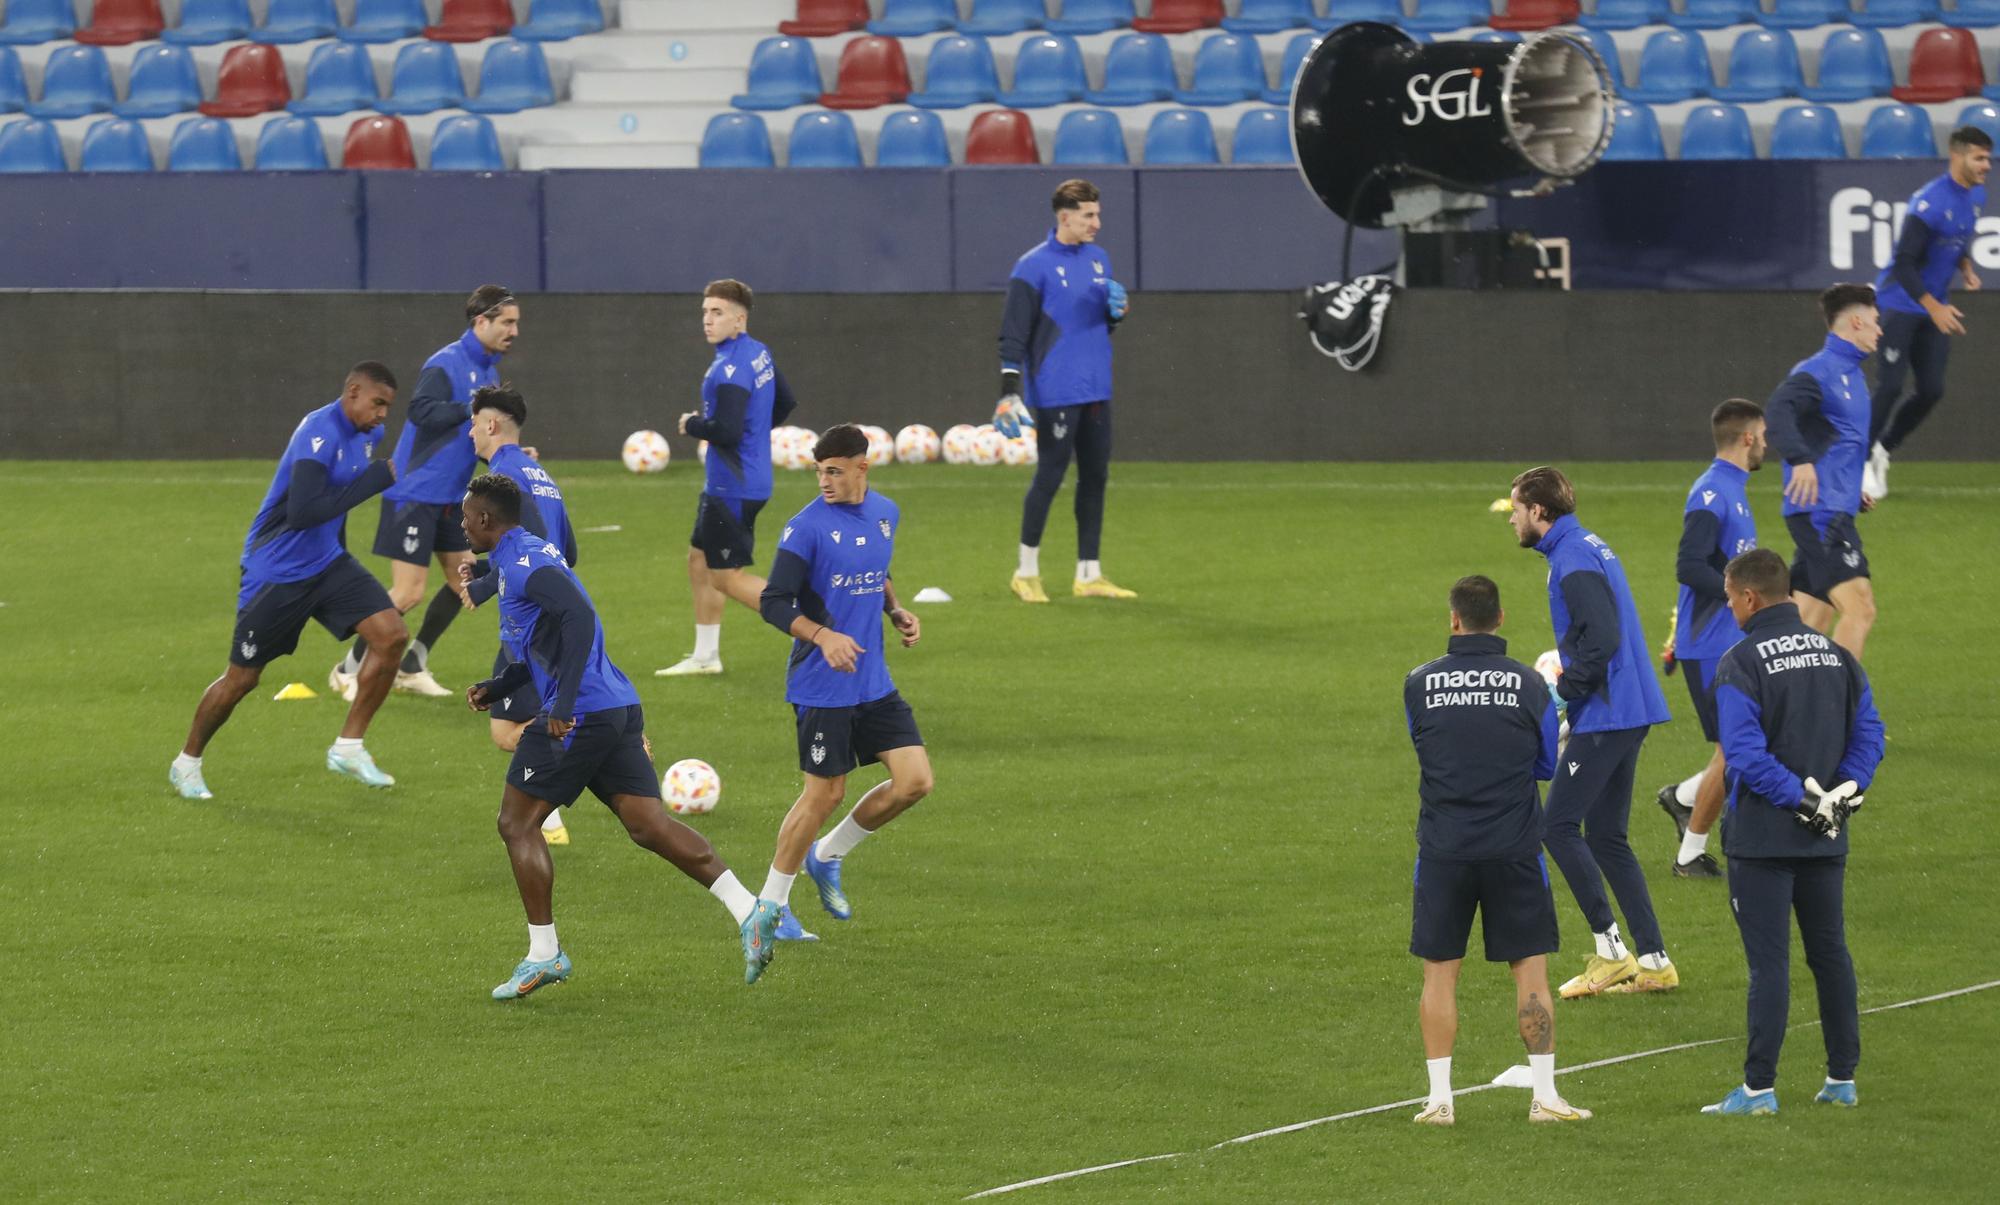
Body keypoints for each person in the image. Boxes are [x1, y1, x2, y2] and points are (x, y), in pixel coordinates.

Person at [455, 473, 780, 997]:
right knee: (647, 825)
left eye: (466, 515)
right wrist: (500, 686)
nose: (462, 522)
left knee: (516, 824)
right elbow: (548, 641)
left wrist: (559, 706)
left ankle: (545, 954)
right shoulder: (528, 554)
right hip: (615, 706)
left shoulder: (523, 565)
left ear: (487, 520)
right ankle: (750, 910)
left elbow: (581, 619)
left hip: (580, 713)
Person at [1700, 548, 1884, 1115]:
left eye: (1730, 598)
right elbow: (1870, 734)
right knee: (1831, 954)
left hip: (1762, 840)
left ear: (1750, 597)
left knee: (1769, 965)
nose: (1729, 608)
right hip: (1826, 837)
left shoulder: (1741, 661)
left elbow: (1745, 757)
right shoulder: (1838, 656)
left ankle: (1758, 1090)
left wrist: (1803, 801)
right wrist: (1840, 797)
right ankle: (1842, 1081)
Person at [170, 363, 409, 800]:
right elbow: (303, 512)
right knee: (241, 680)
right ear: (353, 392)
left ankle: (348, 747)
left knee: (391, 636)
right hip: (276, 572)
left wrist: (338, 556)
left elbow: (335, 510)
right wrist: (375, 482)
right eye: (378, 404)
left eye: (388, 408)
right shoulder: (319, 433)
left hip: (326, 563)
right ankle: (187, 763)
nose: (382, 416)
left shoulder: (369, 436)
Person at [1403, 575, 1591, 1126]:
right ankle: (1546, 1098)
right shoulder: (1530, 686)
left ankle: (1439, 1101)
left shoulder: (1419, 683)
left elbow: (1426, 749)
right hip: (1514, 847)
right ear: (1501, 619)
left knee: (1439, 975)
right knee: (1530, 975)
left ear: (1454, 619)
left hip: (1443, 848)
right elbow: (1545, 767)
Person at [754, 425, 934, 957]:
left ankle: (828, 855)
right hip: (821, 685)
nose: (825, 481)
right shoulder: (805, 528)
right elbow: (773, 601)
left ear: (862, 466)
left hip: (872, 681)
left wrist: (894, 608)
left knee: (915, 782)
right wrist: (823, 633)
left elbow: (875, 571)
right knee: (824, 794)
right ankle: (773, 906)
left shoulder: (885, 513)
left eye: (834, 470)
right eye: (819, 471)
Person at [1507, 466, 1677, 998]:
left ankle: (1611, 952)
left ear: (1539, 511)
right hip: (1627, 707)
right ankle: (1655, 961)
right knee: (1606, 836)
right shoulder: (1584, 546)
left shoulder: (1572, 559)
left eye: (1515, 509)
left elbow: (1601, 638)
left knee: (1556, 826)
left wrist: (1564, 690)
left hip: (1609, 711)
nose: (1511, 518)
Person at [331, 285, 519, 700]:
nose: (514, 330)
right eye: (507, 321)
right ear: (481, 321)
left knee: (463, 582)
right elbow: (420, 410)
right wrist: (470, 407)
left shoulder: (487, 373)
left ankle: (412, 663)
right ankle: (348, 669)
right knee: (408, 592)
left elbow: (474, 435)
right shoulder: (446, 363)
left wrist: (506, 456)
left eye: (516, 322)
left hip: (451, 498)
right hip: (415, 493)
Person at [997, 178, 1137, 604]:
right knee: (1050, 476)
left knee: (1095, 477)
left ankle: (1089, 574)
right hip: (1056, 390)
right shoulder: (1032, 267)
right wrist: (1009, 391)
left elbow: (1098, 323)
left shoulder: (1099, 259)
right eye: (1088, 215)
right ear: (1065, 217)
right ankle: (1025, 572)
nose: (1097, 222)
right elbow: (1013, 335)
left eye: (1097, 213)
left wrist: (1118, 313)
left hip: (1097, 386)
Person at [656, 279, 799, 678]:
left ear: (740, 319)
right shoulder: (758, 353)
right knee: (698, 560)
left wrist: (692, 424)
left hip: (732, 487)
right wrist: (755, 436)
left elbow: (728, 431)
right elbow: (785, 402)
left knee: (725, 576)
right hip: (739, 481)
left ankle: (807, 628)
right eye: (705, 311)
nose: (708, 319)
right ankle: (706, 656)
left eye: (717, 312)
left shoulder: (729, 369)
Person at [1656, 399, 1766, 880]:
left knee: (1749, 742)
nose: (1767, 442)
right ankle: (1688, 855)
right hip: (1707, 647)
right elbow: (1688, 564)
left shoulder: (1733, 490)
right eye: (1763, 434)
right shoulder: (1712, 494)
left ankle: (1683, 798)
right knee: (1736, 749)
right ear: (1747, 438)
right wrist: (1735, 593)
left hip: (1728, 642)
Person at [464, 385, 578, 847]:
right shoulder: (538, 471)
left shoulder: (506, 473)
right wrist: (487, 568)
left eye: (473, 424)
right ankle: (547, 814)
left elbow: (528, 542)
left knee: (510, 728)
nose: (470, 434)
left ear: (491, 425)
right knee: (508, 725)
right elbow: (565, 548)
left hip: (530, 619)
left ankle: (607, 745)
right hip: (548, 610)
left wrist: (486, 585)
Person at [1865, 126, 1991, 500]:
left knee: (1932, 390)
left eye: (1988, 157)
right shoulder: (1928, 203)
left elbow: (1957, 239)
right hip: (1899, 304)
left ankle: (1882, 450)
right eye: (1979, 157)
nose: (1987, 165)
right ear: (1957, 156)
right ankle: (1856, 462)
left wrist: (1965, 267)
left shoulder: (1975, 195)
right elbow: (1904, 264)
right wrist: (1935, 307)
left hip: (1932, 307)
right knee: (1889, 386)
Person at [1766, 283, 1880, 661]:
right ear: (1858, 322)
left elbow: (1837, 441)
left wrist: (1851, 492)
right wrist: (1799, 460)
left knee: (1809, 626)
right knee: (1860, 609)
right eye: (1876, 322)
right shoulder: (1819, 371)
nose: (1880, 330)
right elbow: (1778, 411)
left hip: (1834, 506)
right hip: (1821, 514)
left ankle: (1780, 705)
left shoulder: (1853, 374)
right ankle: (1840, 708)